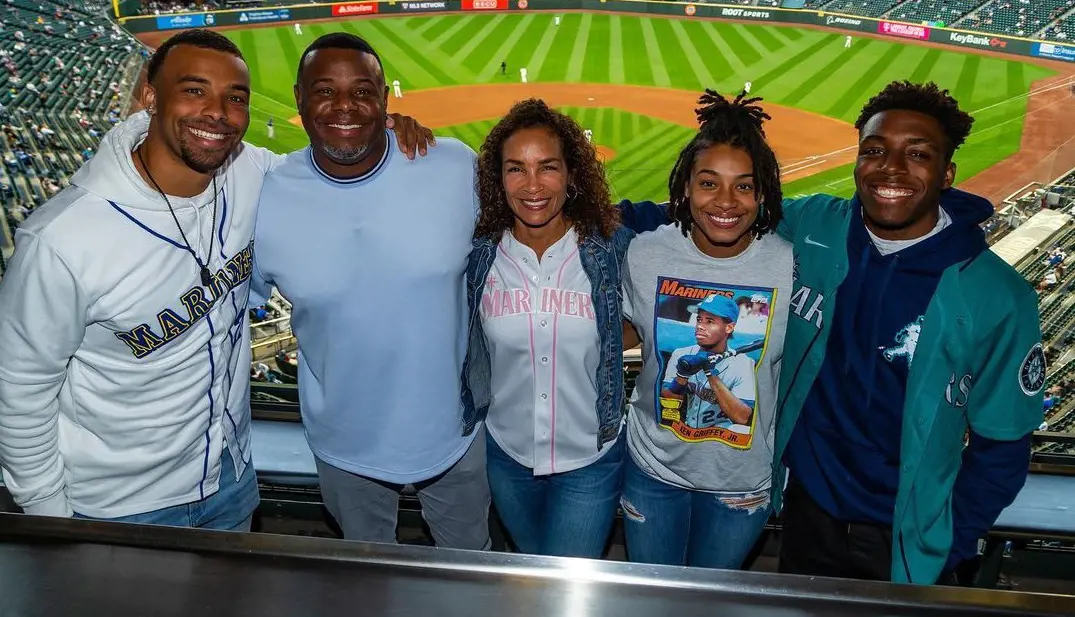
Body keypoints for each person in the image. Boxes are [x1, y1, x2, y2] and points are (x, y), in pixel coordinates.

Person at [0, 29, 433, 528]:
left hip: (232, 482)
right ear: (148, 96)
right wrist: (50, 521)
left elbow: (328, 177)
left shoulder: (253, 174)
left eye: (235, 98)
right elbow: (20, 390)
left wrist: (382, 130)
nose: (217, 112)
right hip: (116, 509)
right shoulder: (60, 239)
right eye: (193, 90)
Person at [617, 80, 1044, 586]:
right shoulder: (816, 227)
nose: (892, 168)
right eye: (875, 151)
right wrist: (603, 213)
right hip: (808, 510)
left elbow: (1004, 445)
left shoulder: (998, 295)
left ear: (947, 173)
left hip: (906, 533)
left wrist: (951, 541)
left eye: (918, 154)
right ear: (858, 160)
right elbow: (720, 210)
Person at [251, 32, 491, 550]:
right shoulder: (266, 194)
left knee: (473, 573)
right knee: (363, 581)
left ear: (385, 100)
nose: (344, 106)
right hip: (343, 442)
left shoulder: (452, 166)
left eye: (362, 91)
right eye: (324, 91)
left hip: (455, 432)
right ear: (298, 98)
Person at [618, 90, 792, 569]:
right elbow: (624, 333)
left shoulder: (790, 263)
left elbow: (740, 413)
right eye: (708, 183)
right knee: (651, 600)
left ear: (762, 193)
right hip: (652, 471)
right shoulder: (646, 253)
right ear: (685, 188)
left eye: (743, 186)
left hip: (742, 483)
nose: (725, 202)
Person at [462, 99, 633, 558]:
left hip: (589, 460)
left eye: (548, 167)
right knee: (533, 580)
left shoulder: (611, 250)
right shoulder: (480, 258)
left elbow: (636, 330)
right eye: (516, 169)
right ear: (498, 179)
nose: (533, 185)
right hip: (506, 456)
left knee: (561, 590)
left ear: (572, 174)